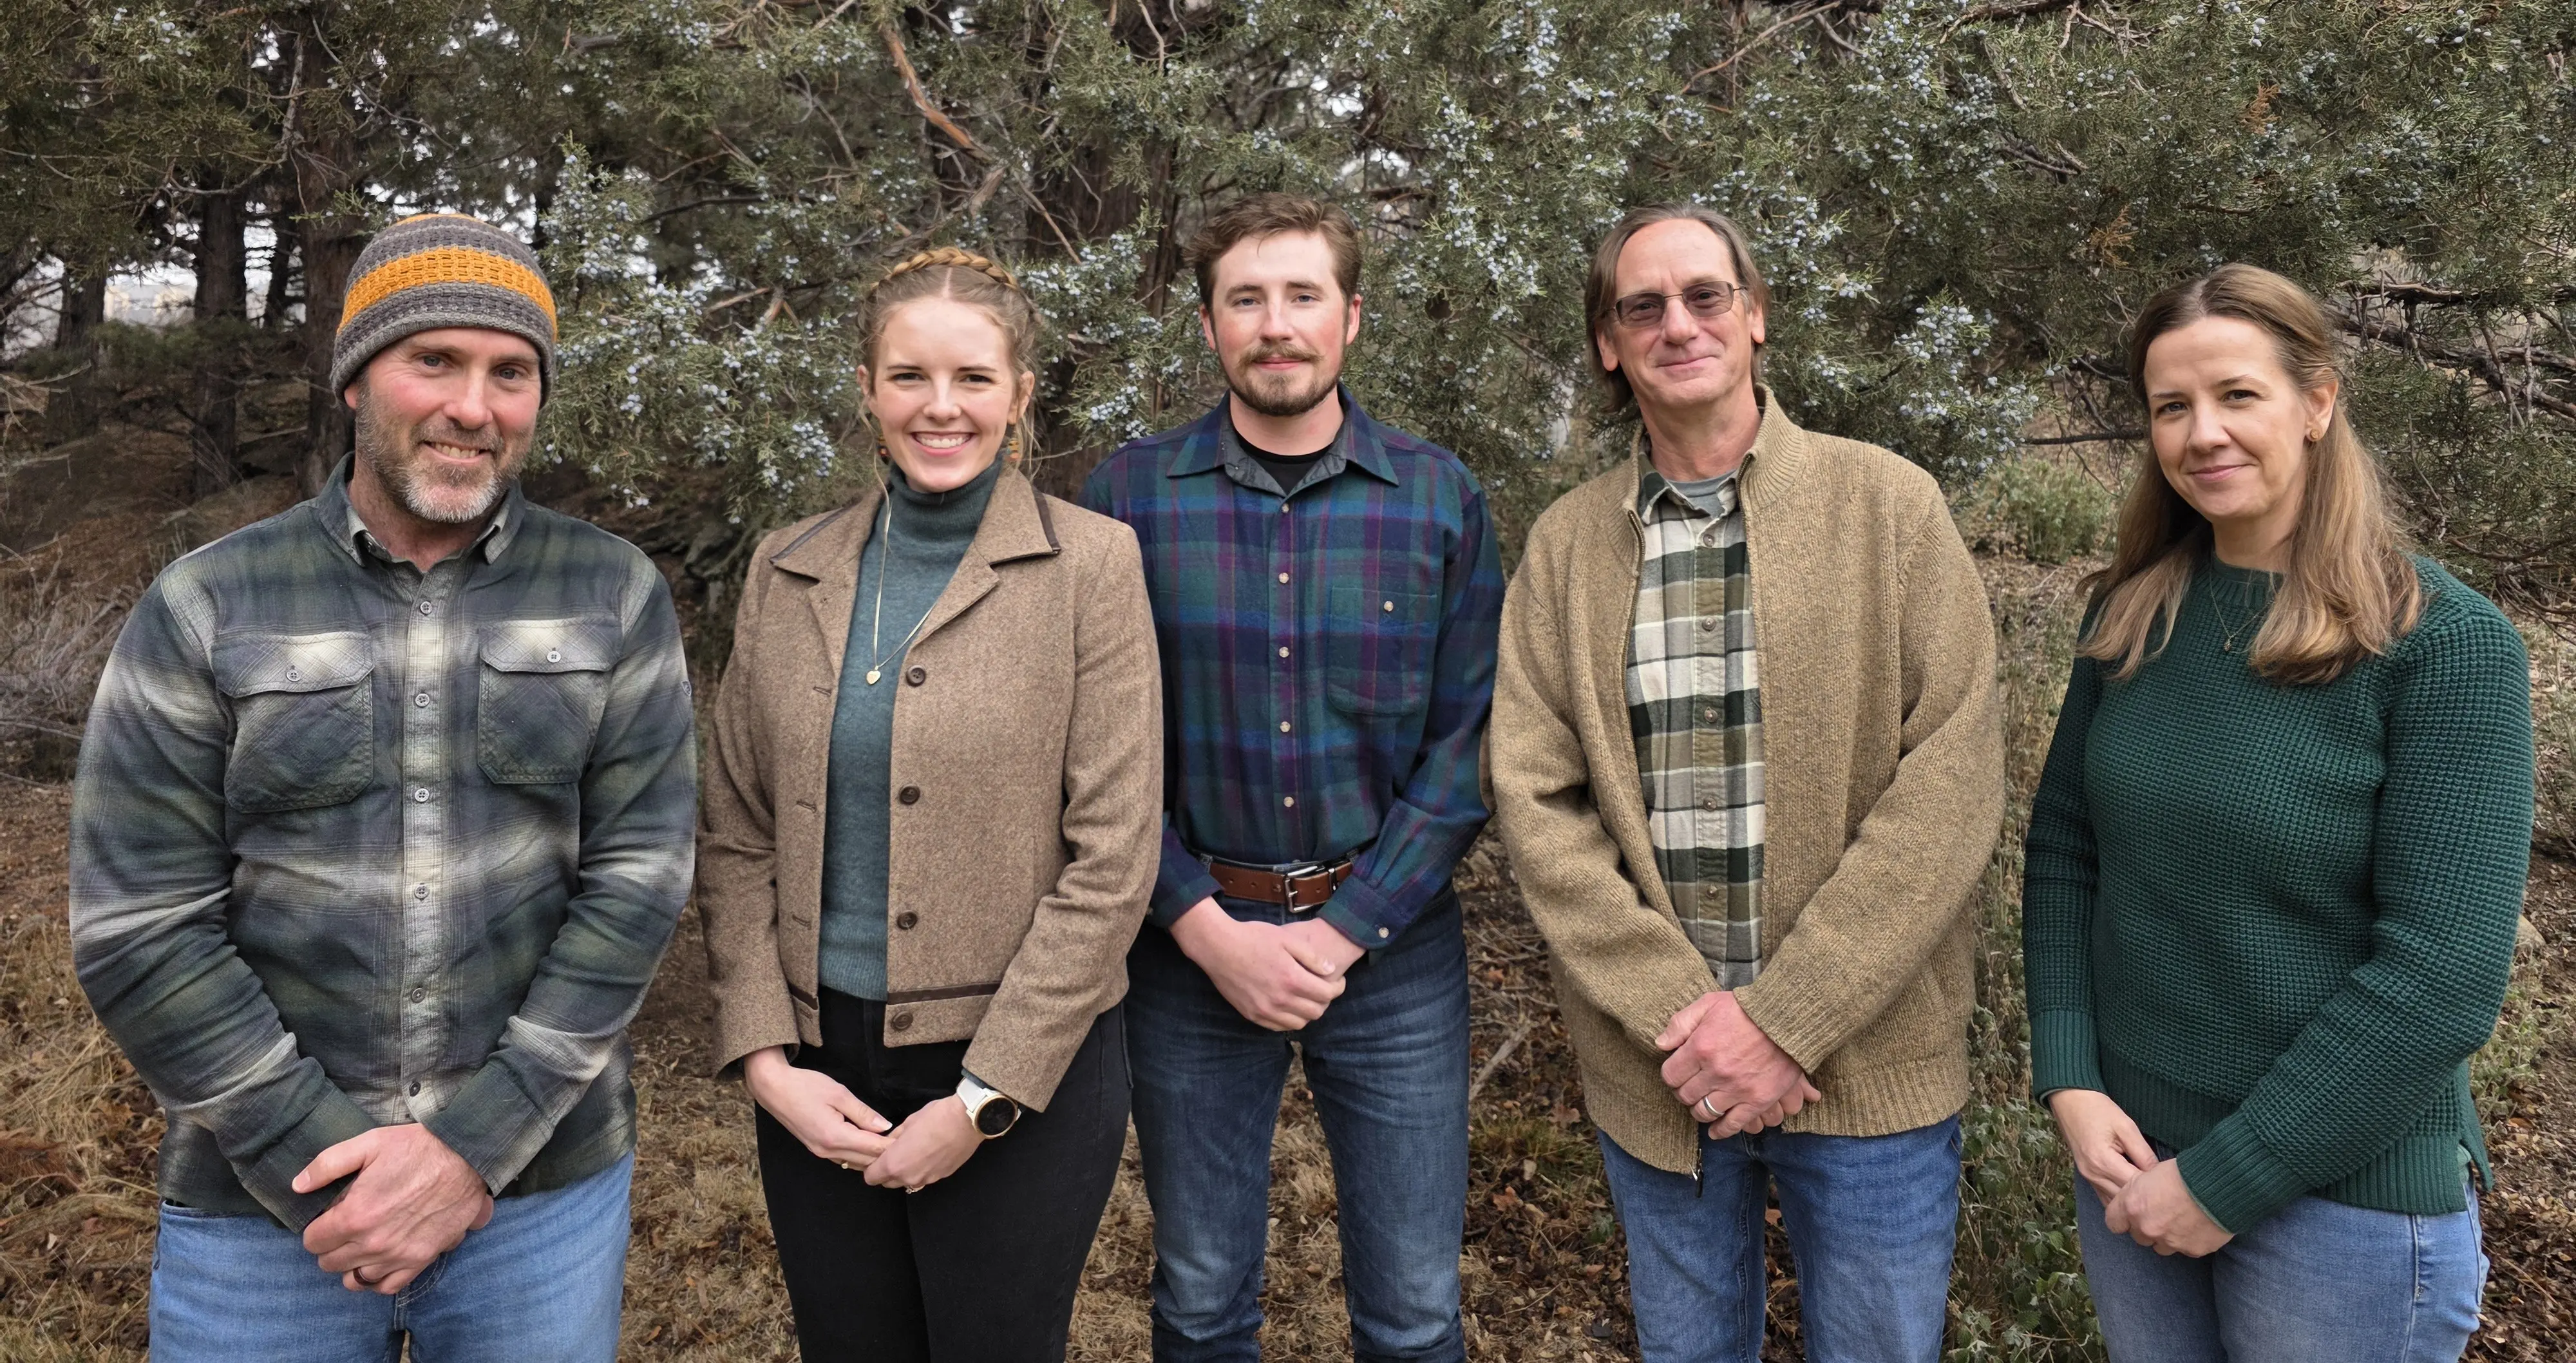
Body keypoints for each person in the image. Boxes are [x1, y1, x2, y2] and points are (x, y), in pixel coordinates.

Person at [68, 213, 696, 1361]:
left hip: (540, 1201)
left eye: (511, 373)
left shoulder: (615, 593)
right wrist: (326, 1157)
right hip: (262, 1216)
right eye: (435, 361)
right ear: (357, 379)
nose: (474, 405)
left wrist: (469, 1153)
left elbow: (639, 886)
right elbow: (139, 926)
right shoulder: (207, 602)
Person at [1487, 204, 2005, 1363]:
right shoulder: (1567, 549)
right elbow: (1536, 801)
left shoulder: (1891, 507)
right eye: (1643, 307)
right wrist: (1688, 1020)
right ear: (1610, 348)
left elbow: (1953, 781)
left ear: (1756, 317)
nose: (1680, 324)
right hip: (1658, 1075)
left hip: (1870, 1073)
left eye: (1706, 295)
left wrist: (1785, 1023)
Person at [2022, 263, 2530, 1363]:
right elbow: (2066, 849)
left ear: (2318, 402)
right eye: (2171, 407)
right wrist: (2067, 1069)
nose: (2203, 433)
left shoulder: (2442, 646)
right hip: (2130, 1164)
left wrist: (2225, 1181)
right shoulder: (2133, 613)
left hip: (2343, 1211)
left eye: (2237, 395)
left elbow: (2440, 979)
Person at [697, 247, 1161, 1362]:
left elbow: (1114, 859)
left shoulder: (1091, 568)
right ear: (866, 388)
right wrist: (768, 1062)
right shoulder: (787, 568)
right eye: (908, 377)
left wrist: (982, 1101)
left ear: (1020, 394)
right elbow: (735, 829)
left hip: (1017, 1067)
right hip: (819, 1067)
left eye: (972, 379)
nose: (939, 408)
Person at [1079, 193, 1505, 1362]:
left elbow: (1472, 743)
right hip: (1187, 954)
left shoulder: (1437, 497)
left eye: (1303, 296)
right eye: (1247, 299)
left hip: (1393, 953)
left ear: (1352, 319)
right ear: (1210, 325)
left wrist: (1346, 928)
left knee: (1416, 1312)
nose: (1276, 325)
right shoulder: (1124, 502)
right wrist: (1203, 925)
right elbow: (1090, 751)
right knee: (1203, 1298)